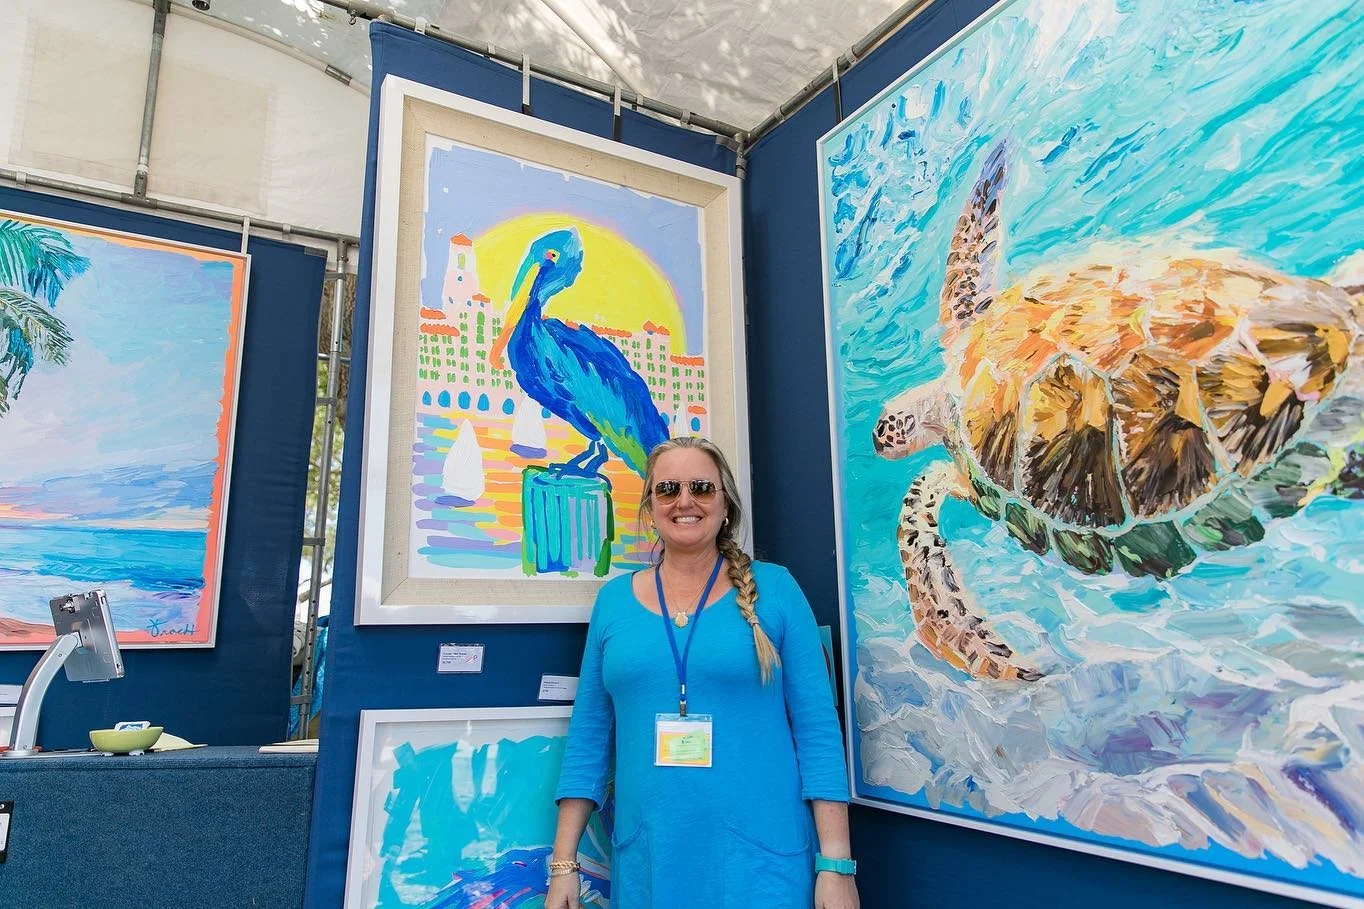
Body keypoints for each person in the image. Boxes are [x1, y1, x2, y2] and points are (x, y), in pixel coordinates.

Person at [547, 436, 860, 909]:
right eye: (668, 488)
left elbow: (817, 732)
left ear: (726, 504)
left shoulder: (777, 590)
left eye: (701, 487)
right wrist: (563, 864)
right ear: (650, 506)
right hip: (652, 864)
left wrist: (836, 865)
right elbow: (588, 738)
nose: (685, 501)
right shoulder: (613, 602)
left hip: (762, 864)